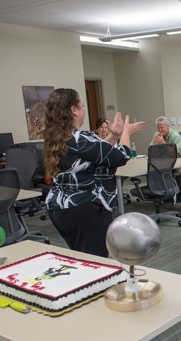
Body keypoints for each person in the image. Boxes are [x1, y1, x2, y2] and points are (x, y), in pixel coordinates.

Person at [44, 88, 144, 257]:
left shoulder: (60, 137)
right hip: (86, 210)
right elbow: (120, 156)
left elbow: (95, 154)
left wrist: (113, 135)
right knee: (95, 260)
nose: (84, 110)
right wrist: (126, 133)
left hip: (62, 208)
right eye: (82, 106)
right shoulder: (81, 138)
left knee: (83, 256)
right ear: (73, 110)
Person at [151, 116, 181, 201]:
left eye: (162, 127)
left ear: (168, 126)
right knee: (155, 169)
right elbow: (151, 149)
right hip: (164, 159)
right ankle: (162, 192)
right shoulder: (157, 135)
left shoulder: (175, 135)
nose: (160, 130)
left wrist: (163, 143)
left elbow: (174, 153)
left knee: (175, 172)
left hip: (179, 158)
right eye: (158, 128)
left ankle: (179, 192)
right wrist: (155, 144)